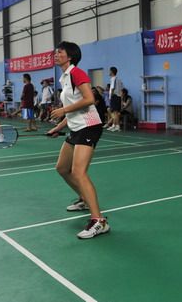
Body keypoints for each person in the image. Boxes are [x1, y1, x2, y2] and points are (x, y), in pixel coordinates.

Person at [48, 41, 108, 239]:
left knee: (79, 172)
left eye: (60, 52)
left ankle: (99, 221)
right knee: (62, 168)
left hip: (89, 126)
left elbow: (89, 99)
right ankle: (84, 198)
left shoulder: (77, 73)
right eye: (56, 52)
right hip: (76, 127)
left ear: (70, 56)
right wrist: (59, 127)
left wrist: (63, 110)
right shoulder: (64, 77)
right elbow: (75, 106)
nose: (56, 54)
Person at [107, 66, 123, 132]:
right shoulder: (119, 79)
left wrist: (111, 97)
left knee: (115, 112)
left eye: (109, 71)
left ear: (112, 72)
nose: (109, 72)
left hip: (114, 96)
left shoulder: (113, 79)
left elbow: (112, 88)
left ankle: (117, 126)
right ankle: (115, 125)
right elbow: (121, 89)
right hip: (118, 97)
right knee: (115, 112)